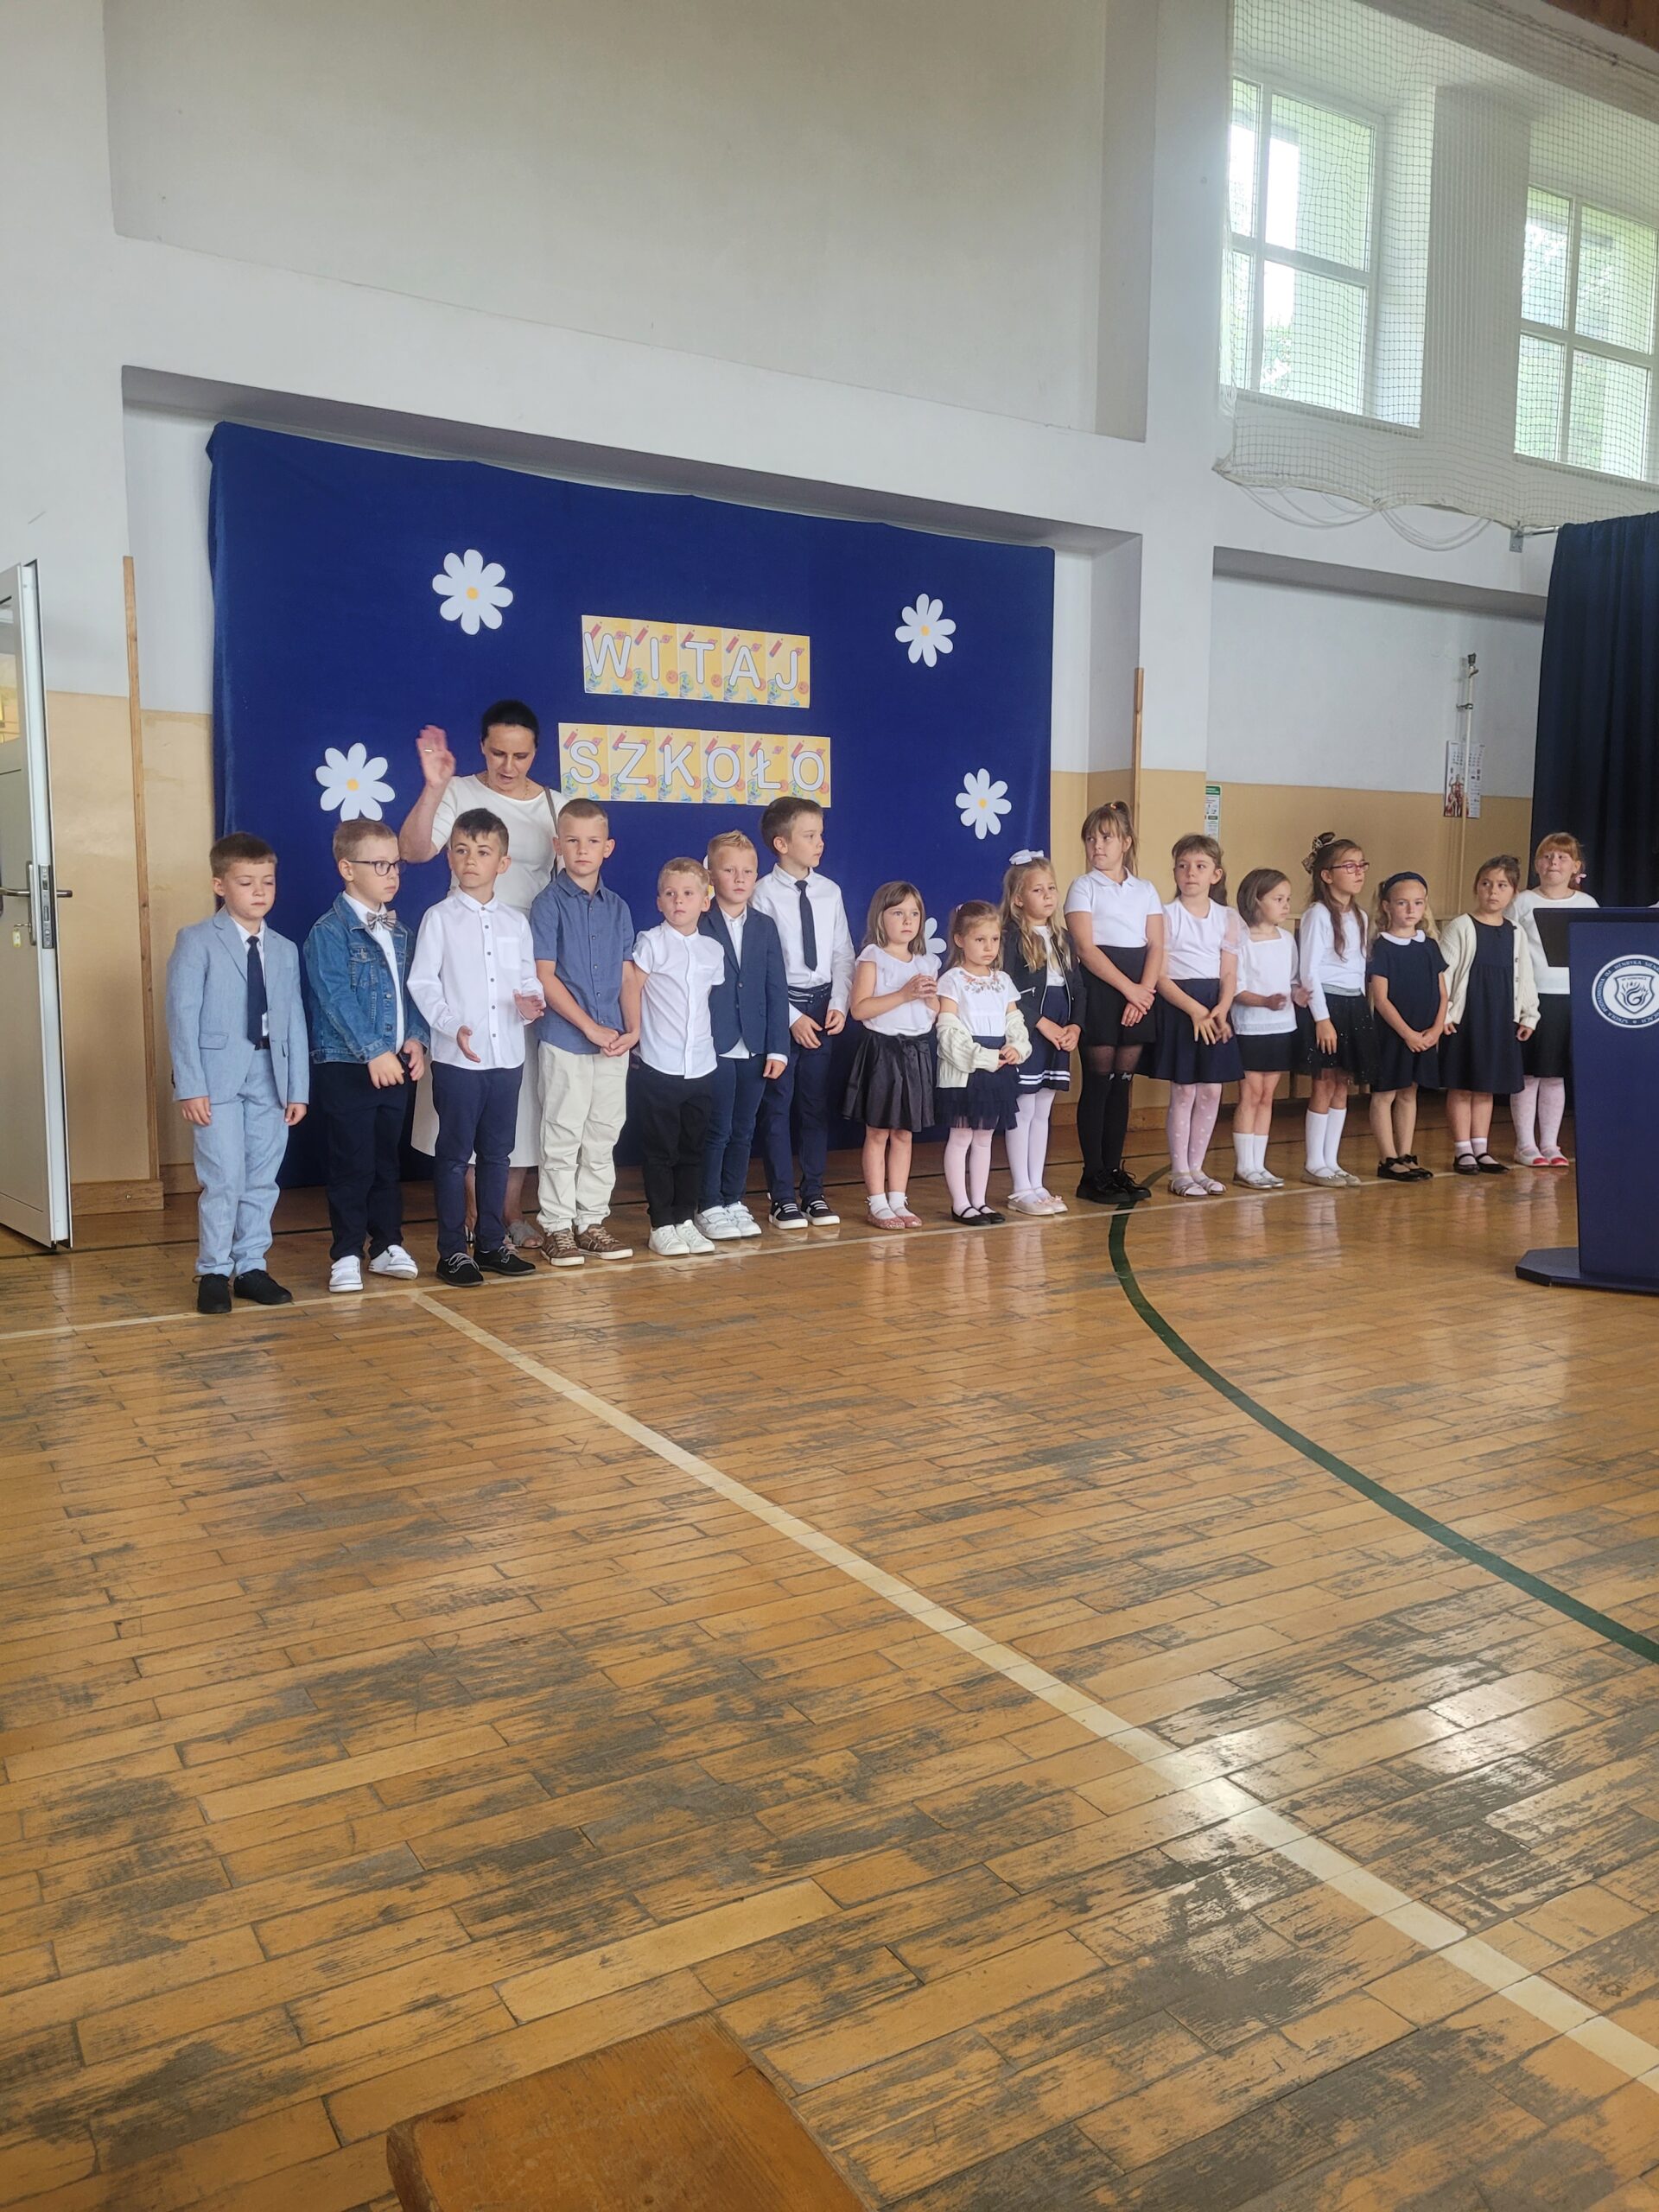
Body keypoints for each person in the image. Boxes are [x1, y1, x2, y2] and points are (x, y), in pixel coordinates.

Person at [399, 702, 559, 1242]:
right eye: (497, 753)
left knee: (519, 1098)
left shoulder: (554, 805)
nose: (508, 766)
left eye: (521, 756)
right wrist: (433, 786)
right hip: (464, 960)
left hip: (525, 960)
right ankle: (469, 1216)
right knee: (462, 1100)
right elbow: (413, 850)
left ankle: (506, 1214)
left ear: (535, 753)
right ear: (481, 748)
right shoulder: (460, 791)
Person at [165, 833, 309, 1314]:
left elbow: (294, 1019)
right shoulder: (197, 941)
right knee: (224, 1176)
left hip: (271, 1074)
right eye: (246, 882)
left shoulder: (284, 949)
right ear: (220, 885)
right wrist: (190, 1085)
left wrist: (298, 1088)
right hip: (216, 1078)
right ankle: (212, 1270)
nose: (259, 891)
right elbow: (182, 1017)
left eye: (268, 881)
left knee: (262, 1178)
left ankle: (250, 1267)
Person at [406, 810, 544, 1284]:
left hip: (507, 1057)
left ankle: (490, 1244)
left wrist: (530, 1004)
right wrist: (451, 1025)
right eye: (462, 851)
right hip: (458, 1059)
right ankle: (452, 1251)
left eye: (483, 852)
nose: (471, 860)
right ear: (449, 857)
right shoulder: (439, 918)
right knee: (453, 1156)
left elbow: (528, 978)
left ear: (502, 863)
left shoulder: (515, 923)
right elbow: (423, 983)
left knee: (497, 1154)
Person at [302, 818, 430, 1292]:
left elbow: (412, 992)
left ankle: (387, 1244)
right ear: (347, 869)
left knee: (386, 1162)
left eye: (395, 865)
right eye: (379, 865)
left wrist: (415, 1039)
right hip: (348, 1063)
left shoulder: (400, 932)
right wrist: (374, 1051)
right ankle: (346, 1252)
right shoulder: (329, 931)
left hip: (394, 1063)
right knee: (351, 1162)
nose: (392, 874)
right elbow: (334, 997)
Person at [528, 799, 637, 1268]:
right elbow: (544, 976)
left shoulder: (618, 908)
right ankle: (556, 1225)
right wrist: (589, 1026)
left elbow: (627, 973)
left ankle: (590, 1222)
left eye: (593, 841)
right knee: (562, 1133)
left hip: (613, 1043)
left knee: (602, 1133)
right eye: (572, 840)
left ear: (608, 847)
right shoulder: (547, 904)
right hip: (567, 1039)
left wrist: (633, 1029)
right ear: (558, 845)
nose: (582, 849)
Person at [751, 797, 855, 1230]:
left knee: (814, 1106)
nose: (820, 843)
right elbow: (760, 965)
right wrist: (790, 1017)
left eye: (820, 834)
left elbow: (842, 952)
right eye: (809, 836)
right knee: (778, 1105)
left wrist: (839, 1003)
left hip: (822, 1006)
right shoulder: (762, 893)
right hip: (782, 1008)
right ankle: (781, 1198)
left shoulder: (830, 891)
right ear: (781, 843)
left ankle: (813, 1192)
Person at [623, 860, 728, 1258]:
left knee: (692, 1148)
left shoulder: (712, 950)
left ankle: (686, 1218)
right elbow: (632, 988)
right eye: (670, 894)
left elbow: (706, 1000)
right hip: (660, 1065)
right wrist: (635, 1031)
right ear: (659, 902)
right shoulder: (651, 943)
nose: (678, 901)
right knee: (660, 1150)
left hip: (701, 1065)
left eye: (687, 893)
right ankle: (661, 1224)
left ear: (705, 901)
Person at [1064, 803, 1162, 1205]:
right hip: (1104, 987)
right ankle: (1093, 1174)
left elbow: (1156, 945)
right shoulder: (1083, 886)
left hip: (1138, 989)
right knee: (1098, 1082)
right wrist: (1129, 990)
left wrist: (1145, 992)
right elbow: (1086, 949)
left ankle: (1114, 1168)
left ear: (1126, 843)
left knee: (1123, 1084)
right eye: (1091, 838)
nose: (1097, 846)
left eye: (1106, 838)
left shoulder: (1146, 889)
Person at [695, 830, 789, 1243]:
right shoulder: (698, 922)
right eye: (729, 870)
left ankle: (733, 1198)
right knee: (715, 1127)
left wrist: (778, 1048)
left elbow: (776, 988)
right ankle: (707, 1203)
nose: (739, 879)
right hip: (711, 1044)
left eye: (747, 871)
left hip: (754, 1043)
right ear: (710, 875)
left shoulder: (765, 927)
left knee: (744, 1127)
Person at [843, 880, 939, 1230]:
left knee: (904, 1132)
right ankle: (877, 1202)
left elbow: (933, 1012)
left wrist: (931, 998)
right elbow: (859, 1009)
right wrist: (903, 994)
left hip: (916, 1051)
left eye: (914, 913)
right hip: (882, 1051)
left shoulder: (927, 962)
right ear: (880, 917)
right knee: (878, 1131)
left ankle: (898, 1199)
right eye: (898, 913)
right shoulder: (873, 957)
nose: (908, 920)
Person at [1153, 835, 1243, 1198]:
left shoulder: (1228, 917)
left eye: (1200, 866)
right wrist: (1194, 1010)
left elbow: (1229, 972)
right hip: (1182, 1007)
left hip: (1214, 1007)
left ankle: (1197, 1167)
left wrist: (1221, 1008)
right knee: (1185, 1090)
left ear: (1215, 875)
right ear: (1175, 871)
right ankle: (1179, 1171)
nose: (1191, 873)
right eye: (1183, 866)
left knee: (1211, 1090)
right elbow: (1159, 976)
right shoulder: (1165, 915)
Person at [1440, 855, 1539, 1175]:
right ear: (1476, 887)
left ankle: (1481, 1149)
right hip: (1468, 1017)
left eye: (1501, 885)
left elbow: (1525, 976)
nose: (1493, 892)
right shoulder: (1461, 926)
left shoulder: (1516, 932)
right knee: (1463, 1085)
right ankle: (1462, 1150)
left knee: (1486, 1086)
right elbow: (1444, 975)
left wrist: (1529, 1014)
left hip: (1500, 1017)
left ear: (1513, 892)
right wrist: (1445, 1015)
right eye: (1486, 884)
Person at [936, 900, 1029, 1226]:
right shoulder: (952, 980)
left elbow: (1015, 1021)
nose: (989, 947)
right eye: (980, 939)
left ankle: (980, 1201)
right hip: (966, 1071)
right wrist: (984, 1057)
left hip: (999, 1068)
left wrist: (1017, 1046)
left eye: (994, 939)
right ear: (960, 940)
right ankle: (960, 1203)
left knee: (985, 1137)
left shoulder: (1002, 980)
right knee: (961, 1136)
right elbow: (948, 1030)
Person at [1000, 855, 1082, 1217]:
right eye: (1038, 890)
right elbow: (1007, 990)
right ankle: (1021, 1187)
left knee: (1043, 1108)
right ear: (1018, 898)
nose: (1048, 896)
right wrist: (1041, 1024)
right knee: (1024, 1107)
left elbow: (1077, 987)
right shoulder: (1010, 939)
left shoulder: (1064, 938)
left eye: (1051, 888)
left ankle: (1037, 1183)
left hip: (1059, 1033)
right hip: (1029, 1032)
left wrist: (1075, 1026)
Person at [1510, 831, 1596, 1167]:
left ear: (1576, 867)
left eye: (1562, 857)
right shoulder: (1523, 902)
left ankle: (1549, 1143)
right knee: (1529, 1074)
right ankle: (1525, 1145)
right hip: (1532, 999)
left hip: (1570, 998)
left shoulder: (1586, 905)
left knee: (1554, 1074)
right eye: (1547, 857)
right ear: (1537, 865)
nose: (1553, 863)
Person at [1297, 832, 1376, 1188]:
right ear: (1327, 875)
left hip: (1353, 1003)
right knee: (1324, 1084)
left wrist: (1360, 1009)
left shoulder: (1360, 915)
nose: (1358, 872)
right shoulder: (1317, 914)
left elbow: (1358, 969)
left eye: (1361, 865)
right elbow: (1309, 970)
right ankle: (1314, 1163)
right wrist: (1322, 1018)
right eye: (1349, 866)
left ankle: (1332, 1160)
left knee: (1343, 1084)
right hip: (1327, 1004)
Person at [1367, 871, 1446, 1185]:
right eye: (1402, 903)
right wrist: (1408, 1034)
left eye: (1418, 903)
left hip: (1424, 1034)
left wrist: (1436, 1029)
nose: (1411, 909)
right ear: (1387, 906)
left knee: (1409, 1092)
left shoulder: (1429, 946)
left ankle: (1405, 1153)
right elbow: (1381, 999)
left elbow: (1443, 993)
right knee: (1385, 1093)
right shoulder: (1383, 947)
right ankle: (1387, 1158)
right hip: (1394, 1034)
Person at [1230, 868, 1299, 1191]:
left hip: (1281, 1027)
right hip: (1250, 1028)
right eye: (1278, 899)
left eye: (1287, 899)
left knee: (1268, 1095)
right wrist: (1264, 1001)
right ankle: (1244, 1166)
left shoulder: (1287, 940)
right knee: (1251, 1094)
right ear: (1257, 901)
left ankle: (1259, 1164)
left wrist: (1297, 995)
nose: (1286, 905)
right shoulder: (1241, 941)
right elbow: (1236, 988)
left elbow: (1292, 980)